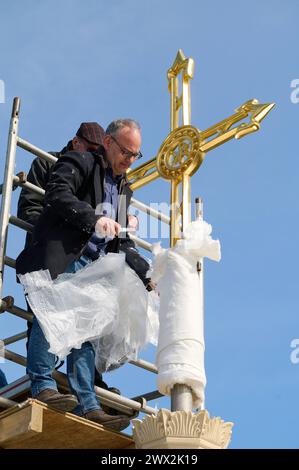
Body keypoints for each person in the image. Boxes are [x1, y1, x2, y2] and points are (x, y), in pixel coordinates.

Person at [16, 119, 148, 430]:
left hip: (95, 267)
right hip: (64, 257)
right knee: (52, 320)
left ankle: (89, 404)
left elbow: (123, 241)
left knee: (87, 334)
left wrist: (148, 273)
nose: (129, 159)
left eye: (136, 155)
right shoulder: (80, 161)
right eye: (126, 152)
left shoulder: (123, 190)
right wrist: (93, 219)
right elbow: (57, 194)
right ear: (109, 144)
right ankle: (43, 385)